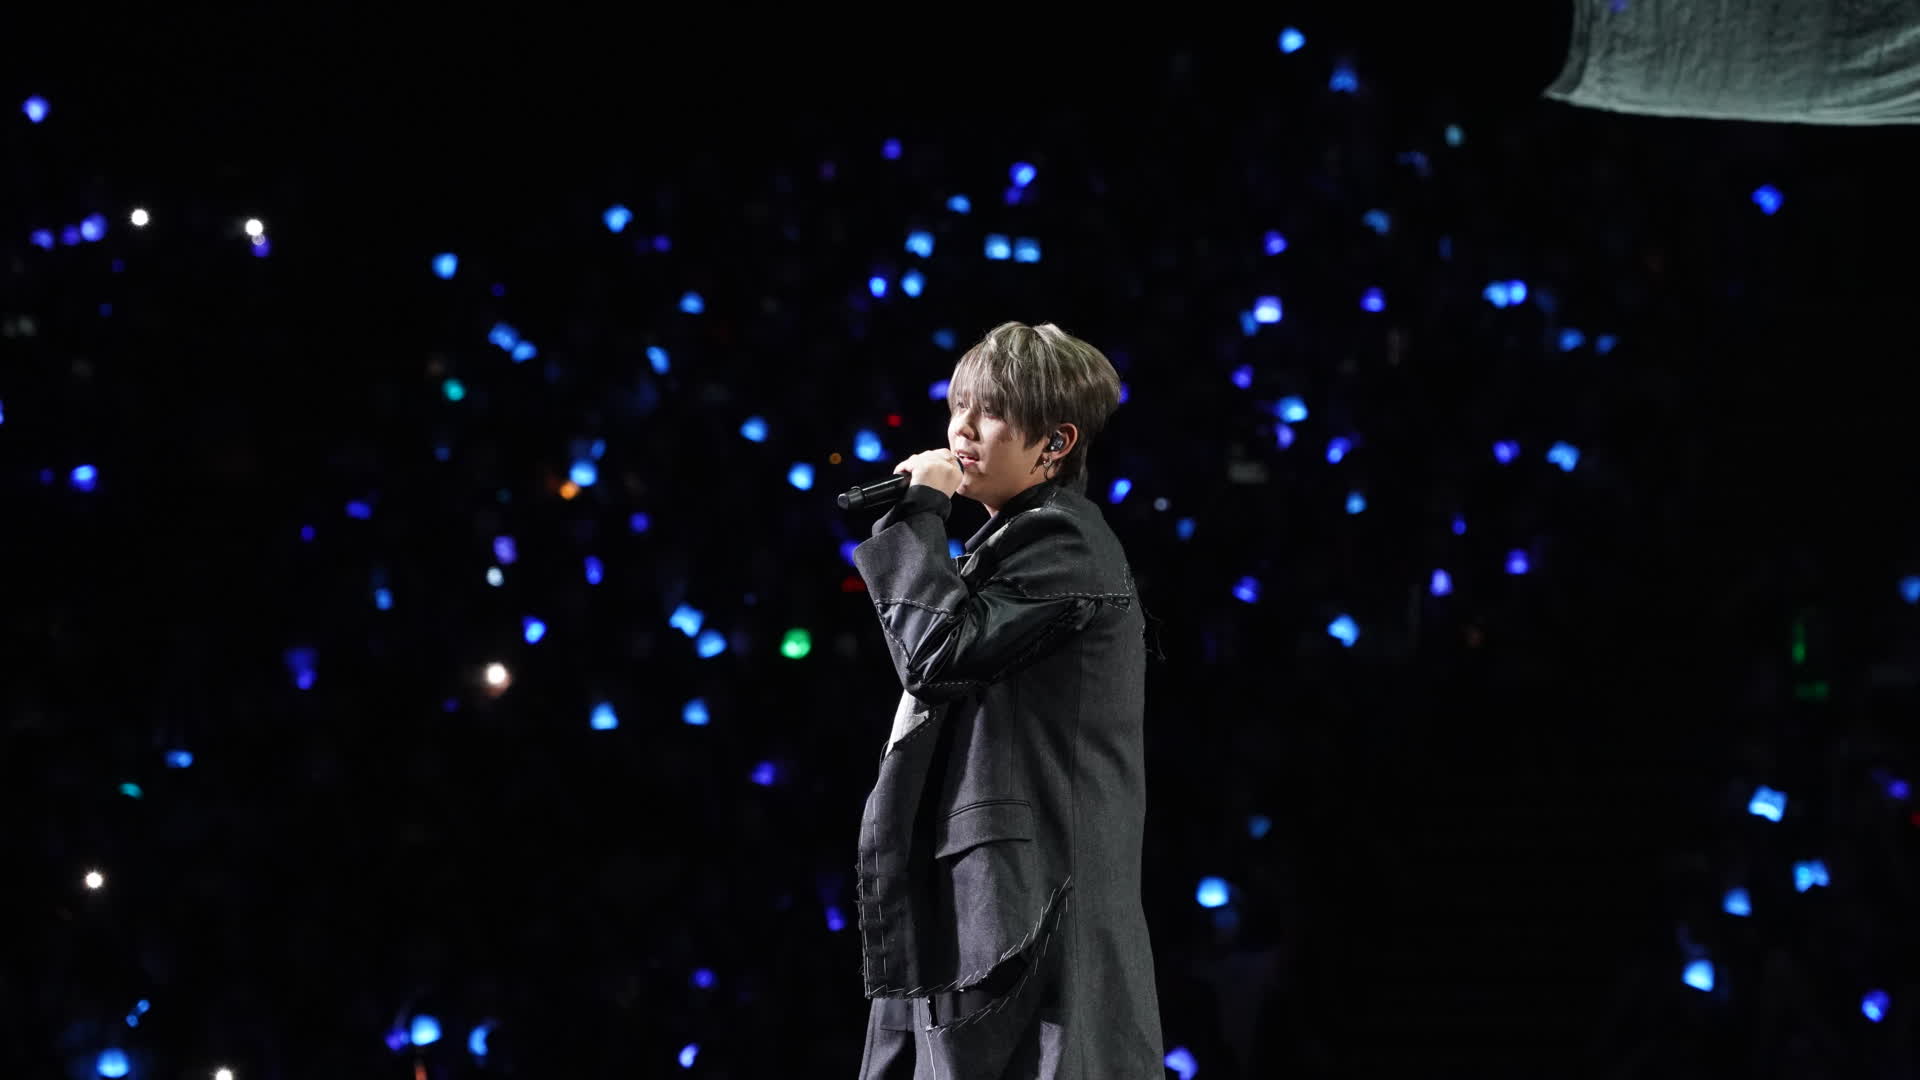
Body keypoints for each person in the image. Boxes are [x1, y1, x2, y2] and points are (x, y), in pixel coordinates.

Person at [849, 322, 1165, 1079]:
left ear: (1054, 443)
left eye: (988, 412)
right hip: (984, 902)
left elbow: (935, 654)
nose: (960, 429)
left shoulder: (1066, 543)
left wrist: (919, 513)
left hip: (1026, 907)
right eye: (957, 406)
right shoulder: (1012, 546)